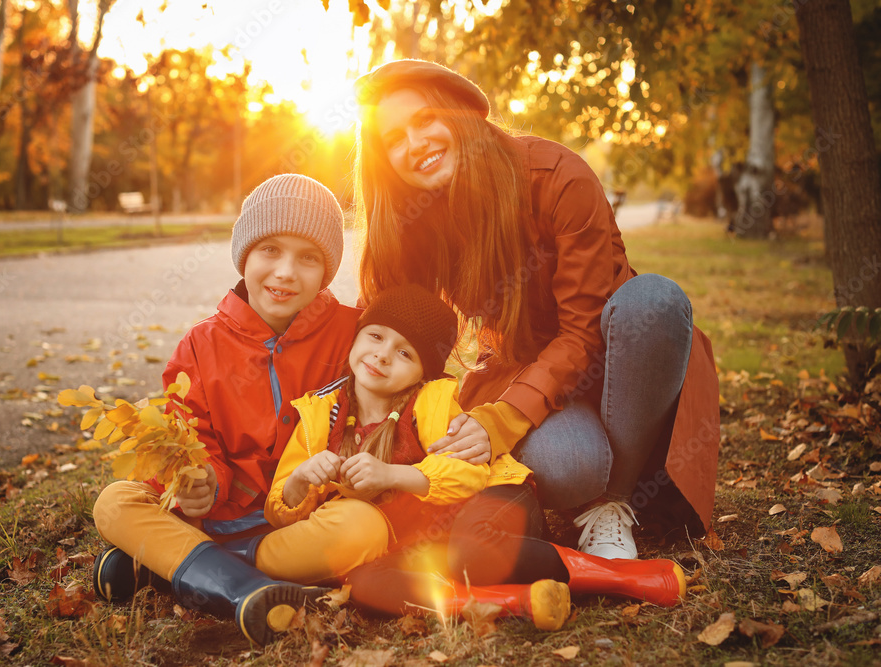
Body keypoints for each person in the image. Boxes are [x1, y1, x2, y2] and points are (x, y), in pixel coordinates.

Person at [353, 60, 720, 560]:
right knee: (570, 465)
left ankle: (613, 501)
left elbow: (584, 331)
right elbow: (386, 320)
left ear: (460, 115)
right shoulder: (415, 217)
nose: (414, 144)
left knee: (655, 301)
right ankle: (592, 487)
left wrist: (504, 419)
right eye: (394, 138)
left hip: (621, 360)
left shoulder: (556, 175)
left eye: (424, 121)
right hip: (532, 375)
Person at [256, 284, 685, 632]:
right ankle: (511, 604)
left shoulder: (431, 401)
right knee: (366, 583)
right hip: (426, 542)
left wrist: (393, 475)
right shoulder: (318, 413)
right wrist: (299, 482)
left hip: (492, 501)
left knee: (472, 553)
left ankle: (625, 577)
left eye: (405, 352)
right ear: (357, 336)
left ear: (423, 370)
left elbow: (467, 473)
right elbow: (281, 506)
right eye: (375, 336)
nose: (383, 354)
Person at [91, 173, 361, 645]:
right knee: (115, 502)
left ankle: (172, 568)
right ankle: (246, 591)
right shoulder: (201, 344)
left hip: (302, 523)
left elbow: (398, 380)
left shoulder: (351, 334)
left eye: (308, 257)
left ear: (327, 270)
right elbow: (188, 435)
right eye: (270, 250)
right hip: (217, 518)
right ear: (244, 255)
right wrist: (201, 480)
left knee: (363, 528)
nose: (285, 272)